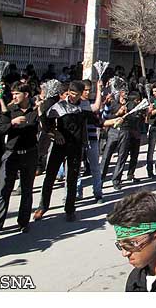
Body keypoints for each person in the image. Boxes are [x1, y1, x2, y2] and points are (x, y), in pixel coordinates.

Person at [34, 80, 98, 222]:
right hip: (59, 146)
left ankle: (70, 209)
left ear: (81, 95)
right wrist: (55, 133)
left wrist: (114, 120)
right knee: (50, 176)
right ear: (68, 91)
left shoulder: (84, 107)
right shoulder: (58, 106)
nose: (73, 96)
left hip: (76, 147)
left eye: (77, 94)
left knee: (72, 179)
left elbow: (97, 121)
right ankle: (43, 207)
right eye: (72, 93)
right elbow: (46, 124)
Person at [0, 83, 38, 234]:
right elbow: (0, 130)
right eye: (13, 94)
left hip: (29, 153)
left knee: (27, 190)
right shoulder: (9, 111)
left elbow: (38, 127)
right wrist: (12, 124)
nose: (14, 96)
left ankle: (23, 222)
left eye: (17, 94)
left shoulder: (35, 110)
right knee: (3, 189)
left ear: (26, 95)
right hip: (11, 154)